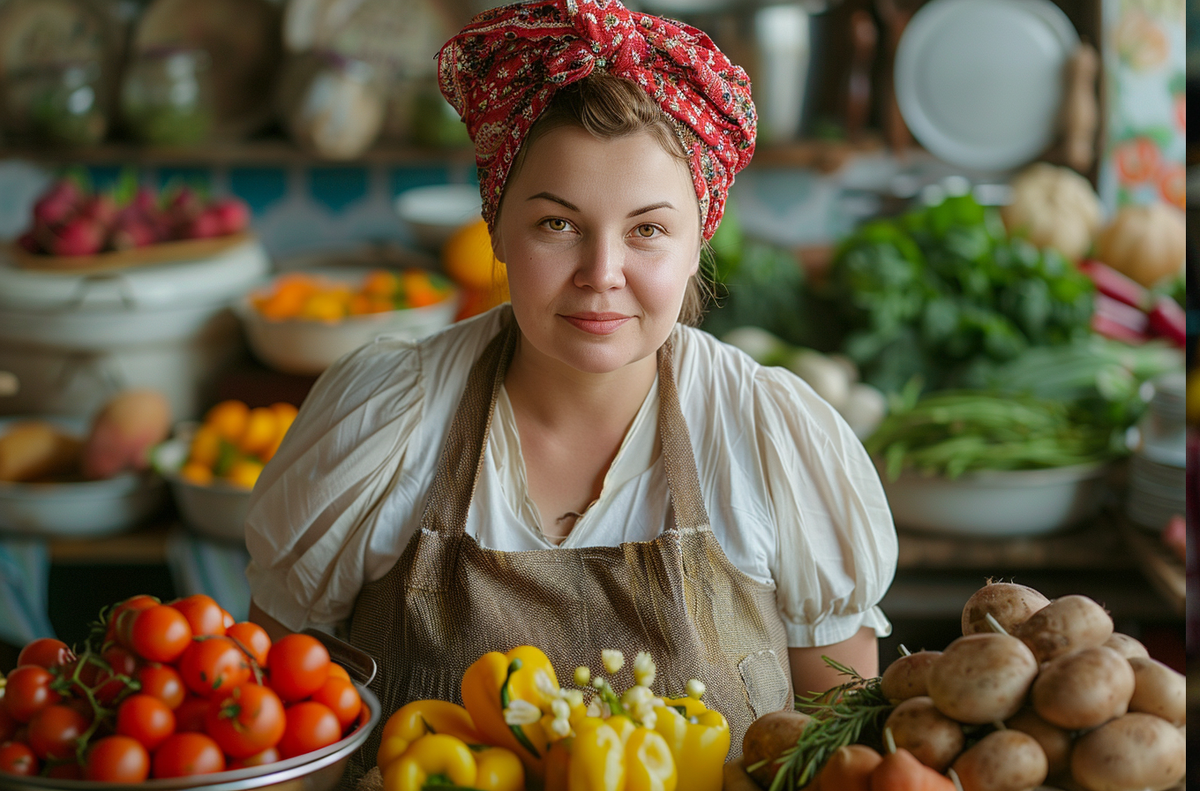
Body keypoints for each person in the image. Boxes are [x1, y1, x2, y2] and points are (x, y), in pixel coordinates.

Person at [245, 0, 897, 781]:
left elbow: (842, 765)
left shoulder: (766, 436)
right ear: (496, 227)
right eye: (557, 224)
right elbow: (282, 742)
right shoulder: (390, 419)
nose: (601, 273)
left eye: (647, 230)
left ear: (699, 242)